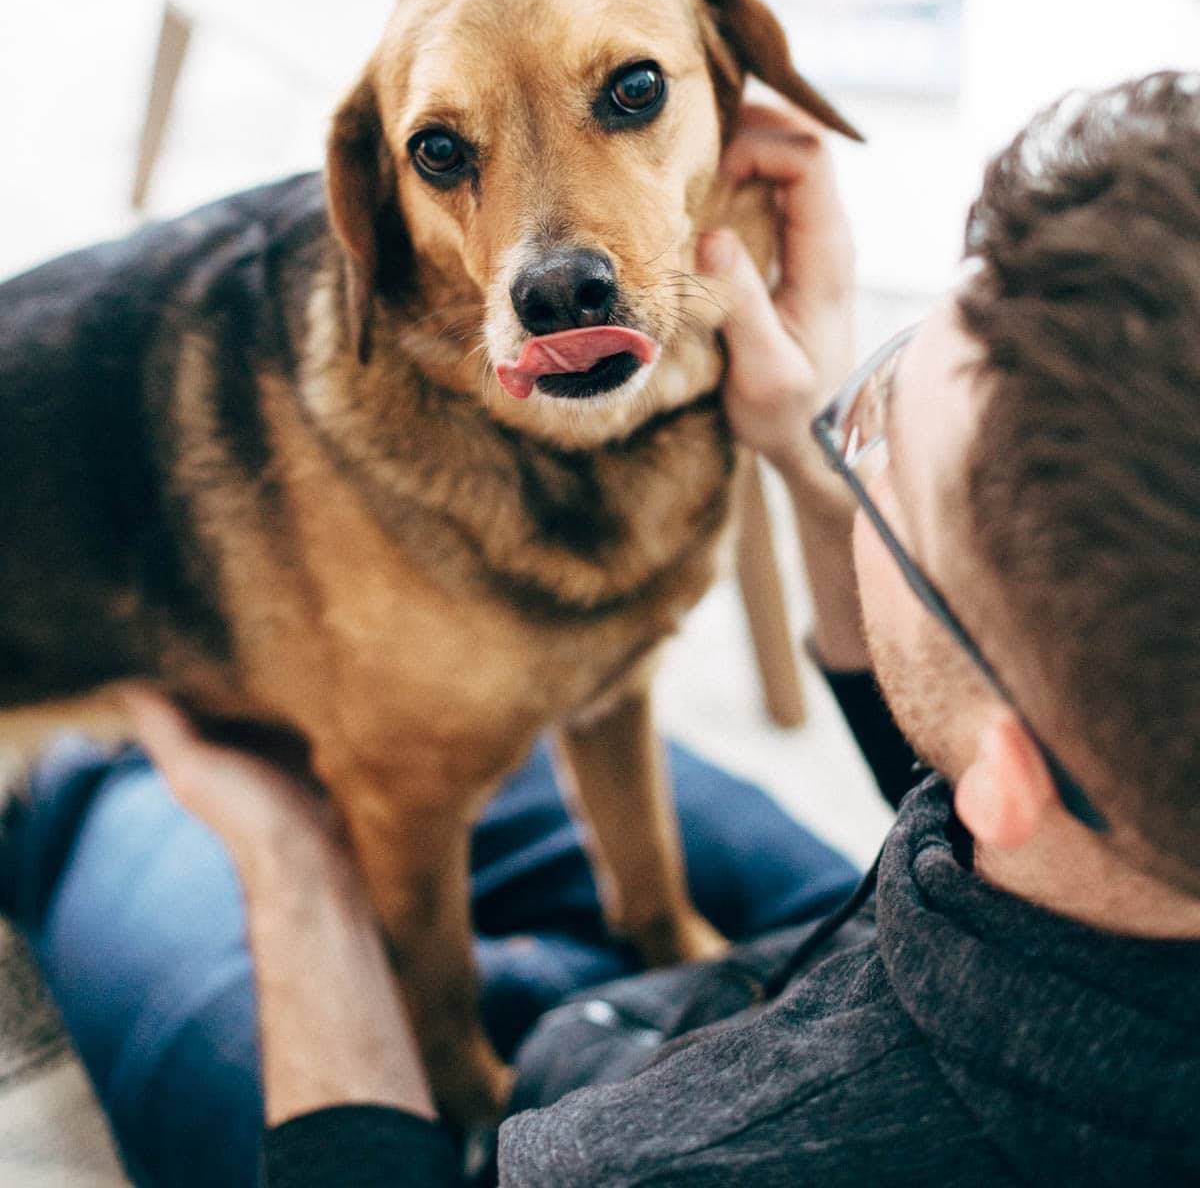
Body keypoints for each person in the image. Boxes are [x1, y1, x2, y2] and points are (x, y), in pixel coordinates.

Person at [3, 73, 1199, 1186]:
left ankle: (74, 795)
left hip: (468, 1140)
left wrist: (293, 862)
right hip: (891, 934)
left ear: (1012, 775)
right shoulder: (1118, 804)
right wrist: (802, 443)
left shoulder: (647, 1168)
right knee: (470, 723)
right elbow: (985, 733)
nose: (848, 437)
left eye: (879, 440)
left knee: (120, 790)